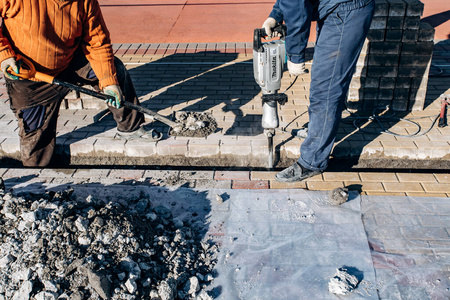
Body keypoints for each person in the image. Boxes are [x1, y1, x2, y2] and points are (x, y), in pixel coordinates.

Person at [0, 0, 162, 167]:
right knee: (35, 146)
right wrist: (4, 55)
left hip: (70, 62)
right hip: (30, 77)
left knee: (116, 70)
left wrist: (109, 82)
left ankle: (130, 128)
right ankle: (39, 181)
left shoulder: (85, 2)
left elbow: (98, 42)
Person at [262, 0, 374, 182]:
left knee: (326, 87)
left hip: (346, 10)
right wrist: (275, 15)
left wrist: (296, 55)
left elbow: (296, 6)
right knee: (327, 81)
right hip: (334, 8)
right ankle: (320, 132)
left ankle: (312, 161)